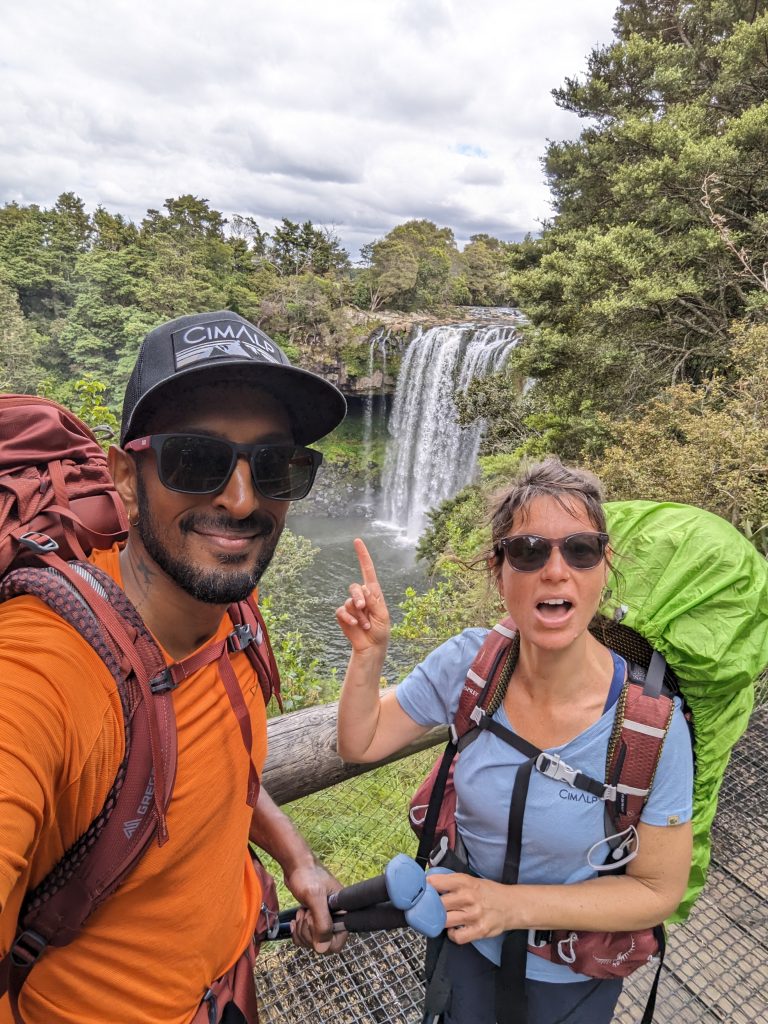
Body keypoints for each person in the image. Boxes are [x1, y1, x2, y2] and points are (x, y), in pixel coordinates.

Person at [0, 310, 348, 1024]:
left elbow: (212, 766)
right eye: (197, 461)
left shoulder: (230, 612)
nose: (242, 500)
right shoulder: (43, 668)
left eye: (275, 466)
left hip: (229, 988)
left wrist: (295, 855)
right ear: (125, 477)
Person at [335, 458, 694, 1024]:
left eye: (580, 549)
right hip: (466, 943)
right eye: (529, 550)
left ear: (605, 568)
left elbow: (657, 890)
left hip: (571, 971)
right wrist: (368, 655)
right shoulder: (469, 665)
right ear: (499, 571)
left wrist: (510, 906)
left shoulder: (650, 727)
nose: (556, 570)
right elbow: (362, 741)